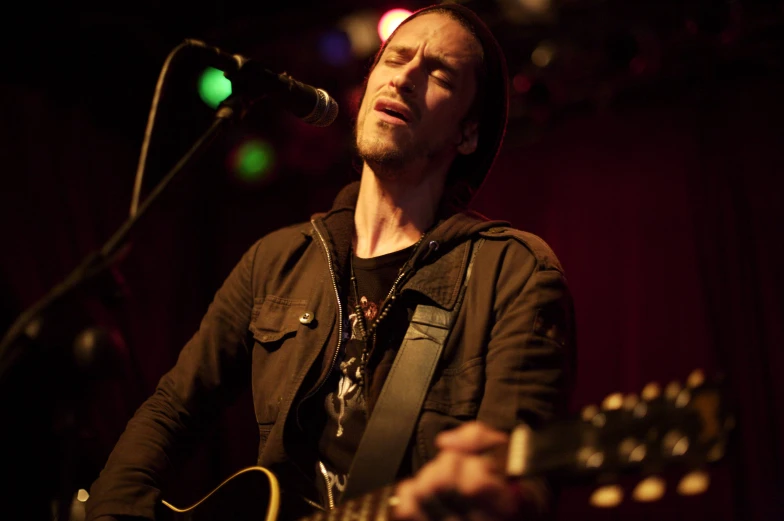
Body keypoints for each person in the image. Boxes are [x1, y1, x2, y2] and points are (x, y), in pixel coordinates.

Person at [86, 4, 576, 521]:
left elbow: (522, 477)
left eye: (439, 74)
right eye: (395, 59)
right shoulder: (276, 261)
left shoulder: (514, 273)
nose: (405, 76)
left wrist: (498, 498)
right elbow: (170, 412)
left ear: (468, 133)